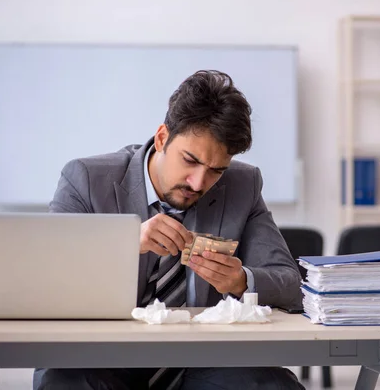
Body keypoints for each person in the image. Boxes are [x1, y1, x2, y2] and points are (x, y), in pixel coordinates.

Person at [33, 70, 305, 390]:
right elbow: (46, 276)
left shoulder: (243, 185)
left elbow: (291, 284)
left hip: (204, 362)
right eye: (190, 160)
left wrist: (242, 280)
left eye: (216, 170)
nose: (199, 183)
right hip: (103, 356)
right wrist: (123, 243)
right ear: (162, 138)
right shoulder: (85, 179)